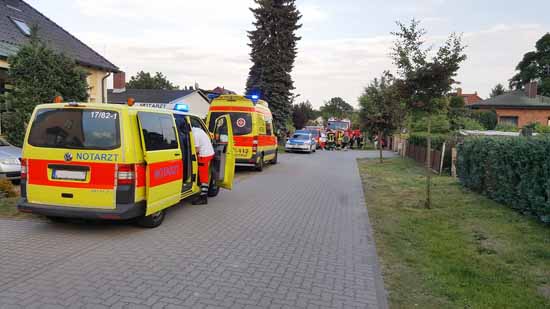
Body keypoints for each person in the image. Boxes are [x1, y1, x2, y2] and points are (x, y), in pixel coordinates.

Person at [191, 126, 215, 205]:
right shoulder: (198, 130)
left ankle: (203, 198)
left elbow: (196, 149)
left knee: (203, 176)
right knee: (204, 175)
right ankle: (202, 192)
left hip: (204, 155)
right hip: (209, 153)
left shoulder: (195, 134)